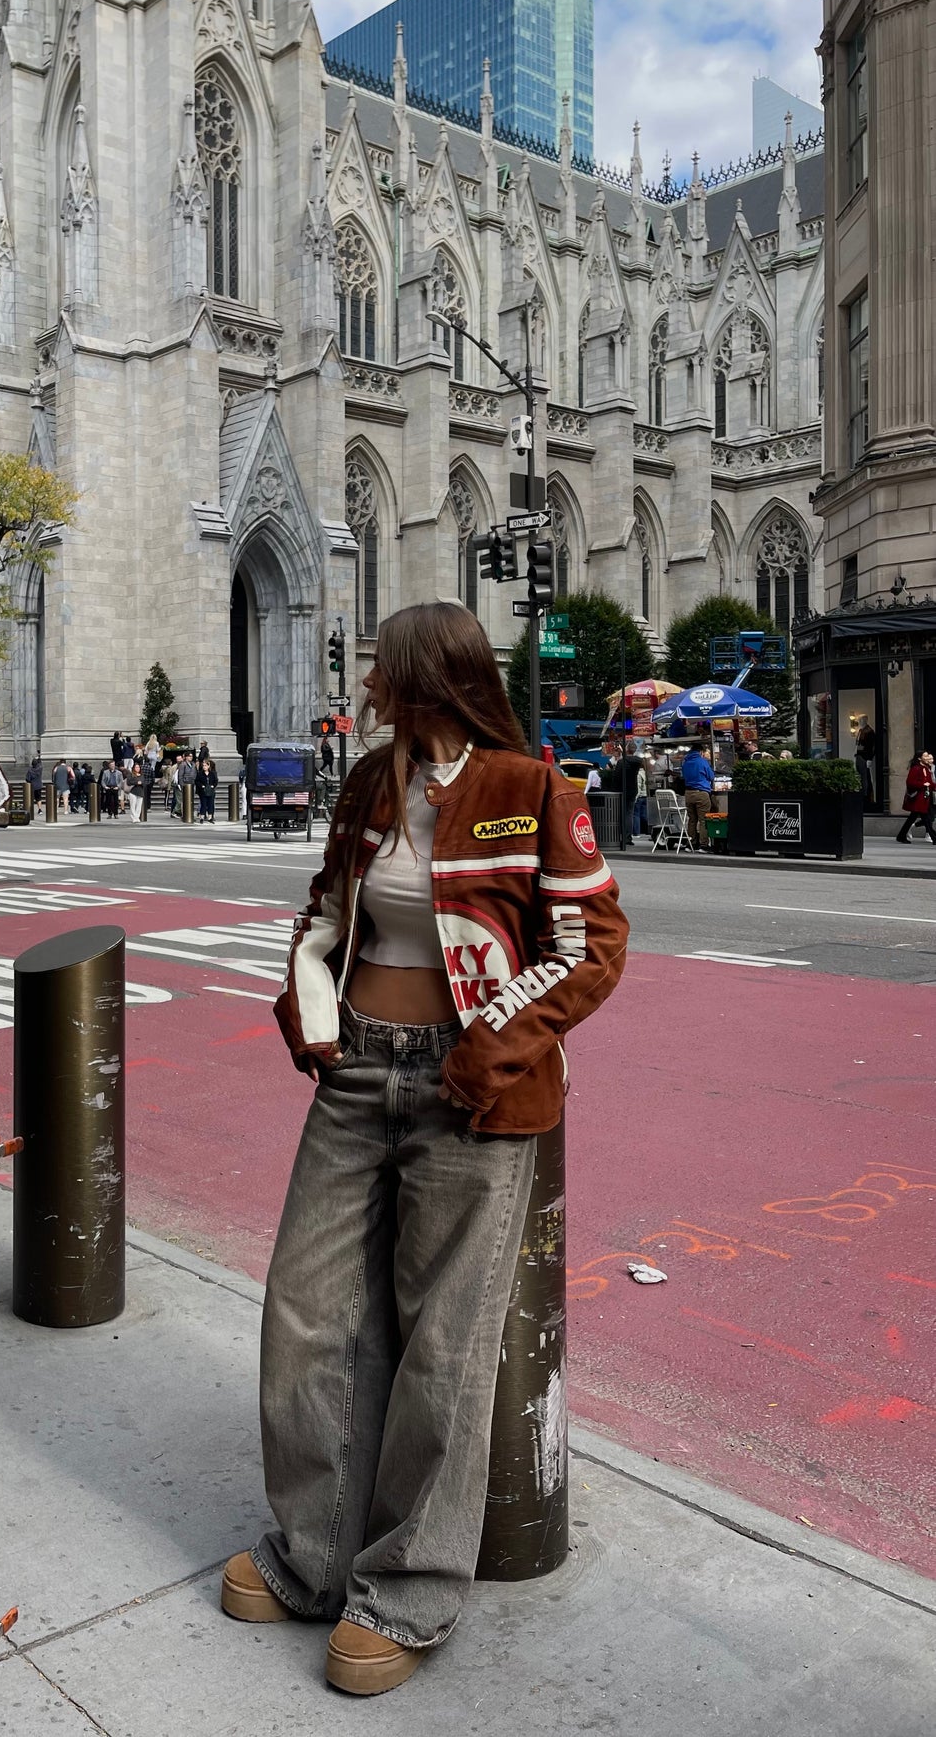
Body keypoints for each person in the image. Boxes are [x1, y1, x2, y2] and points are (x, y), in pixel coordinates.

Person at [221, 603, 628, 1696]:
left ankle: (405, 1590)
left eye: (386, 670)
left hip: (474, 1093)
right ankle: (312, 1557)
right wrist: (307, 993)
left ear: (435, 677)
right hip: (356, 1073)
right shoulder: (365, 784)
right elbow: (328, 906)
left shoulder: (530, 788)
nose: (371, 686)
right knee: (305, 1309)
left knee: (444, 1343)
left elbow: (590, 944)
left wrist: (492, 1040)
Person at [896, 752, 936, 844]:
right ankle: (934, 837)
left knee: (913, 818)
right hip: (918, 798)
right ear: (919, 758)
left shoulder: (926, 768)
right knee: (926, 819)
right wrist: (923, 785)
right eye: (925, 756)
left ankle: (901, 836)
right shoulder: (916, 769)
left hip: (923, 798)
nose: (927, 758)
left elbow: (930, 782)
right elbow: (910, 783)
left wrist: (933, 786)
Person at [681, 741, 715, 848]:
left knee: (692, 820)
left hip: (688, 793)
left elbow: (683, 776)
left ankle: (691, 843)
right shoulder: (702, 761)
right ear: (701, 752)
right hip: (701, 793)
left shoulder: (685, 762)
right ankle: (703, 845)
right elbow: (711, 776)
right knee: (703, 820)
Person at [855, 722, 878, 809]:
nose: (859, 721)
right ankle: (863, 795)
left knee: (866, 778)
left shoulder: (869, 732)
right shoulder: (861, 731)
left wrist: (869, 758)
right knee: (861, 778)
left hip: (864, 757)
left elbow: (872, 746)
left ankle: (867, 797)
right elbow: (858, 745)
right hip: (860, 756)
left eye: (861, 720)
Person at [195, 754, 218, 821]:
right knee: (203, 804)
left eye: (205, 765)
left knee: (210, 804)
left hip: (210, 790)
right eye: (203, 765)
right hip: (203, 791)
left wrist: (213, 786)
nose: (204, 767)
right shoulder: (200, 773)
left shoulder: (212, 773)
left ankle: (210, 817)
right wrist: (201, 786)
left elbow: (215, 781)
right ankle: (202, 816)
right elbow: (197, 781)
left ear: (208, 766)